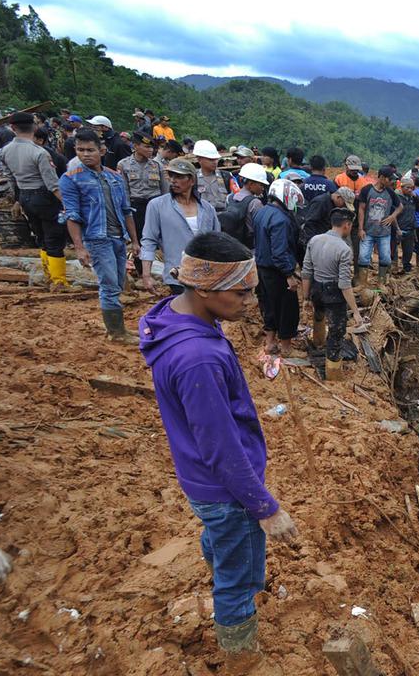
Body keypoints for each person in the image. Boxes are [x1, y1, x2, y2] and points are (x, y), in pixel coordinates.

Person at [138, 232, 299, 660]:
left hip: (202, 481)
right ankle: (241, 657)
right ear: (205, 289)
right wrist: (265, 508)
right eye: (242, 292)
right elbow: (222, 448)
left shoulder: (175, 320)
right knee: (238, 583)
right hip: (227, 491)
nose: (250, 301)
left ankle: (221, 560)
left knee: (221, 539)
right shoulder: (199, 358)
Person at [60, 128, 141, 341]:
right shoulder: (71, 179)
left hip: (117, 237)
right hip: (96, 238)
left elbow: (126, 210)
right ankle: (116, 332)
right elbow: (72, 215)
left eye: (90, 150)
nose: (85, 154)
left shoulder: (114, 177)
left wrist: (134, 240)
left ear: (101, 151)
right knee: (109, 286)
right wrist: (79, 247)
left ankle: (118, 328)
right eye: (80, 150)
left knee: (117, 283)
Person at [0, 112, 67, 287]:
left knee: (41, 237)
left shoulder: (4, 151)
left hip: (24, 196)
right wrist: (67, 203)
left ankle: (48, 276)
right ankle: (59, 281)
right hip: (44, 197)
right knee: (54, 238)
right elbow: (52, 184)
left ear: (12, 128)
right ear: (35, 127)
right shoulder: (39, 152)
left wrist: (17, 200)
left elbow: (9, 178)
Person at [140, 158, 219, 295]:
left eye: (179, 177)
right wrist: (146, 275)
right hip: (177, 275)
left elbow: (217, 241)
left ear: (192, 180)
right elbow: (149, 240)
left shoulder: (207, 209)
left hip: (206, 275)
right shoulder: (157, 206)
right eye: (171, 176)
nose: (173, 180)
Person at [301, 208, 362, 380]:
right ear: (346, 225)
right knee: (336, 332)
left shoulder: (315, 240)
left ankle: (318, 342)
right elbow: (344, 284)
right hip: (333, 293)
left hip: (316, 288)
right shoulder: (344, 249)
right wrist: (355, 311)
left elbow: (306, 271)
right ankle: (333, 375)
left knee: (319, 315)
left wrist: (305, 298)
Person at [252, 178, 301, 355]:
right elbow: (279, 252)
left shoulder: (261, 212)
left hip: (262, 268)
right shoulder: (281, 219)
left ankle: (270, 342)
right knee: (288, 308)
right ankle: (286, 347)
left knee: (269, 306)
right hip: (277, 271)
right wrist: (289, 275)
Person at [118, 131, 169, 278]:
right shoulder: (124, 165)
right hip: (137, 207)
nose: (150, 150)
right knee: (139, 240)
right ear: (135, 146)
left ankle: (169, 271)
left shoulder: (157, 165)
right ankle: (142, 273)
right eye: (146, 147)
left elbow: (165, 190)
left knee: (162, 238)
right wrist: (127, 211)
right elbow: (124, 191)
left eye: (151, 147)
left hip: (155, 206)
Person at [355, 166, 402, 287]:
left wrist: (392, 216)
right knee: (363, 257)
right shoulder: (367, 190)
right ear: (381, 177)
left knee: (385, 258)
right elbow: (361, 209)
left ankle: (381, 284)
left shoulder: (390, 192)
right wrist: (360, 228)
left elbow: (400, 207)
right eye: (389, 179)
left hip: (384, 232)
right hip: (368, 230)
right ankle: (363, 285)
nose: (391, 181)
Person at [219, 163, 268, 248]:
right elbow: (261, 230)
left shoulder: (230, 198)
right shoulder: (255, 203)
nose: (263, 188)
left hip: (233, 245)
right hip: (251, 247)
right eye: (261, 184)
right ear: (251, 184)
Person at [299, 186, 355, 252]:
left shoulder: (334, 204)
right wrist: (312, 243)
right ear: (338, 197)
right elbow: (309, 223)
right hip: (314, 241)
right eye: (344, 204)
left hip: (324, 241)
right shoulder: (321, 202)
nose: (344, 207)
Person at [394, 175, 419, 274]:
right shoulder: (397, 197)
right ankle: (393, 269)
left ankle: (406, 269)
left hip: (410, 228)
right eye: (407, 187)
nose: (410, 190)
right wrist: (396, 228)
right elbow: (392, 214)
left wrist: (416, 197)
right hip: (398, 227)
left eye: (411, 188)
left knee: (408, 251)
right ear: (402, 187)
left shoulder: (412, 198)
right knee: (393, 250)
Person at [193, 140, 230, 211]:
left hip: (224, 214)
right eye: (211, 159)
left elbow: (234, 198)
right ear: (199, 159)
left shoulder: (226, 176)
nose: (215, 162)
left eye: (216, 159)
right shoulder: (193, 179)